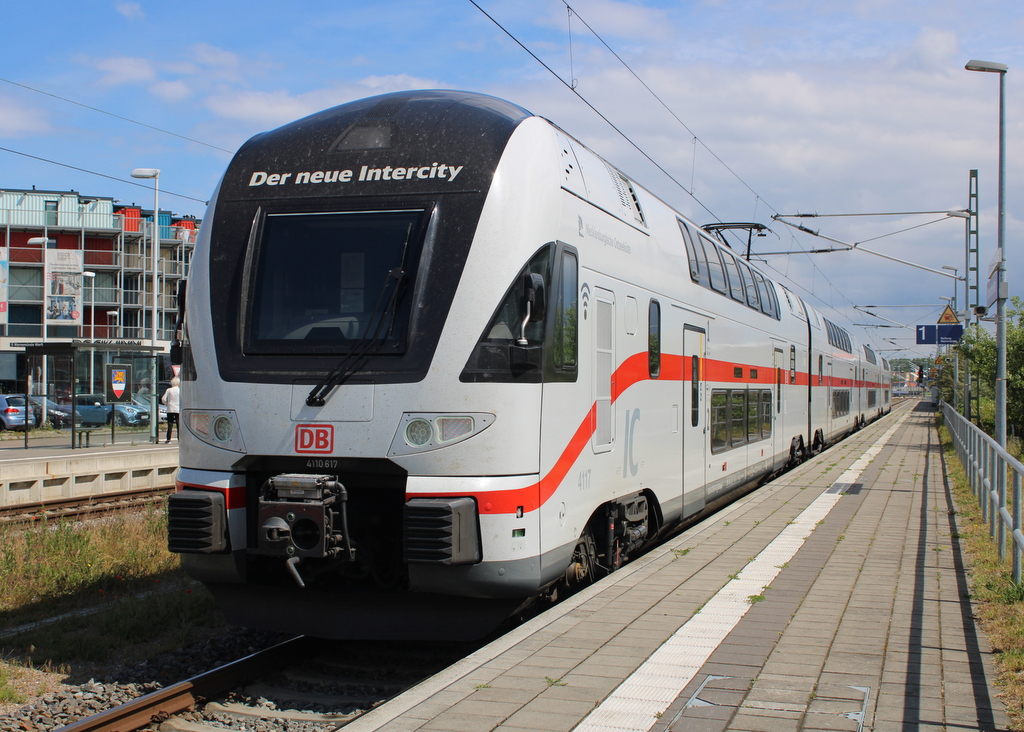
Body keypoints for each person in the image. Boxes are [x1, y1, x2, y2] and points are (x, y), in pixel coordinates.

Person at [161, 377, 180, 443]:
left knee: (170, 424)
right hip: (178, 409)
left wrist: (167, 404)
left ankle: (168, 439)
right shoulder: (180, 390)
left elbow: (163, 399)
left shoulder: (169, 390)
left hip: (170, 409)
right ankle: (179, 438)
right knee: (178, 424)